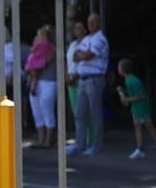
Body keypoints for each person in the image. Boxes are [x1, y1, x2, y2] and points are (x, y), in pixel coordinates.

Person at [67, 14, 109, 155]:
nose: (90, 25)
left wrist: (82, 54)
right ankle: (80, 145)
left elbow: (86, 56)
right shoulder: (86, 39)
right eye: (89, 22)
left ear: (99, 23)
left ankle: (96, 146)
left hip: (94, 79)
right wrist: (82, 54)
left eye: (93, 22)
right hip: (83, 80)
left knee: (95, 113)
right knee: (80, 114)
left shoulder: (101, 39)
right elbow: (75, 55)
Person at [25, 26, 58, 150]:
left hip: (48, 82)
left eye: (41, 35)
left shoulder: (51, 49)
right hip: (36, 83)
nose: (38, 37)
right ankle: (41, 139)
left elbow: (42, 64)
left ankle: (49, 140)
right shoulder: (36, 49)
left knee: (47, 111)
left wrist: (33, 70)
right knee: (37, 112)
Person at [117, 58, 150, 159]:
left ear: (122, 69)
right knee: (138, 128)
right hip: (137, 108)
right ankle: (140, 149)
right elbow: (134, 93)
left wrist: (127, 99)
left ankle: (140, 149)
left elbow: (141, 96)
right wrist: (124, 91)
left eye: (119, 67)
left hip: (142, 108)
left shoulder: (132, 80)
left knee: (150, 128)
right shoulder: (129, 80)